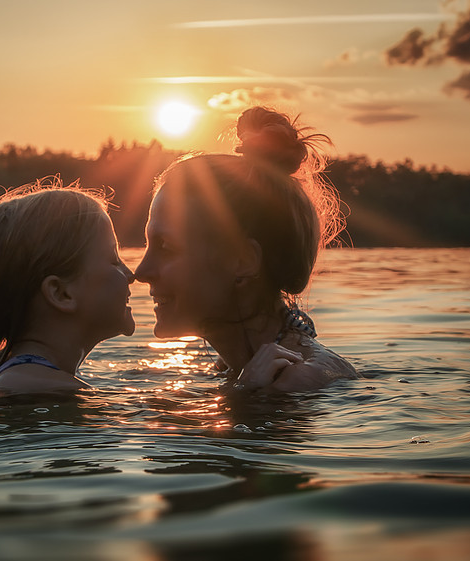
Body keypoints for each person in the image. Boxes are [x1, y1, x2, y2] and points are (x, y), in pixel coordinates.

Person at [135, 106, 357, 393]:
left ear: (243, 260)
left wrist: (246, 397)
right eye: (148, 244)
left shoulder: (297, 381)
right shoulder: (232, 367)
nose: (141, 271)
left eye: (166, 247)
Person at [0, 179, 135, 394]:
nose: (131, 274)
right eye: (114, 259)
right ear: (61, 293)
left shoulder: (9, 375)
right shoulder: (43, 387)